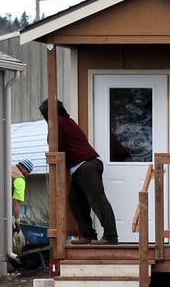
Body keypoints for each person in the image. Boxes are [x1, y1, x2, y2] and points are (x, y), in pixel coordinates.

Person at [39, 99, 119, 245]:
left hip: (86, 165)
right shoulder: (67, 121)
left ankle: (111, 236)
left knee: (97, 200)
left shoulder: (57, 123)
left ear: (47, 114)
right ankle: (88, 235)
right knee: (75, 200)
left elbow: (57, 147)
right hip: (83, 165)